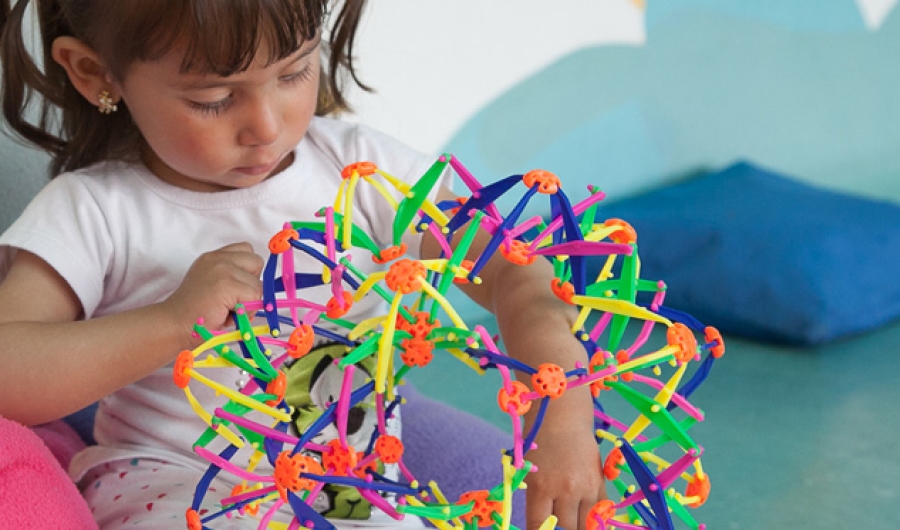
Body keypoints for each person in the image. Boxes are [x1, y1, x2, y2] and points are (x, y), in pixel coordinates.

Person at [0, 1, 605, 528]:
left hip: (350, 485)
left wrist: (562, 396)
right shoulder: (96, 209)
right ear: (95, 73)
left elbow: (512, 264)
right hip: (174, 480)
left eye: (293, 73)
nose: (265, 127)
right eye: (213, 99)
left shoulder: (360, 171)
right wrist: (172, 323)